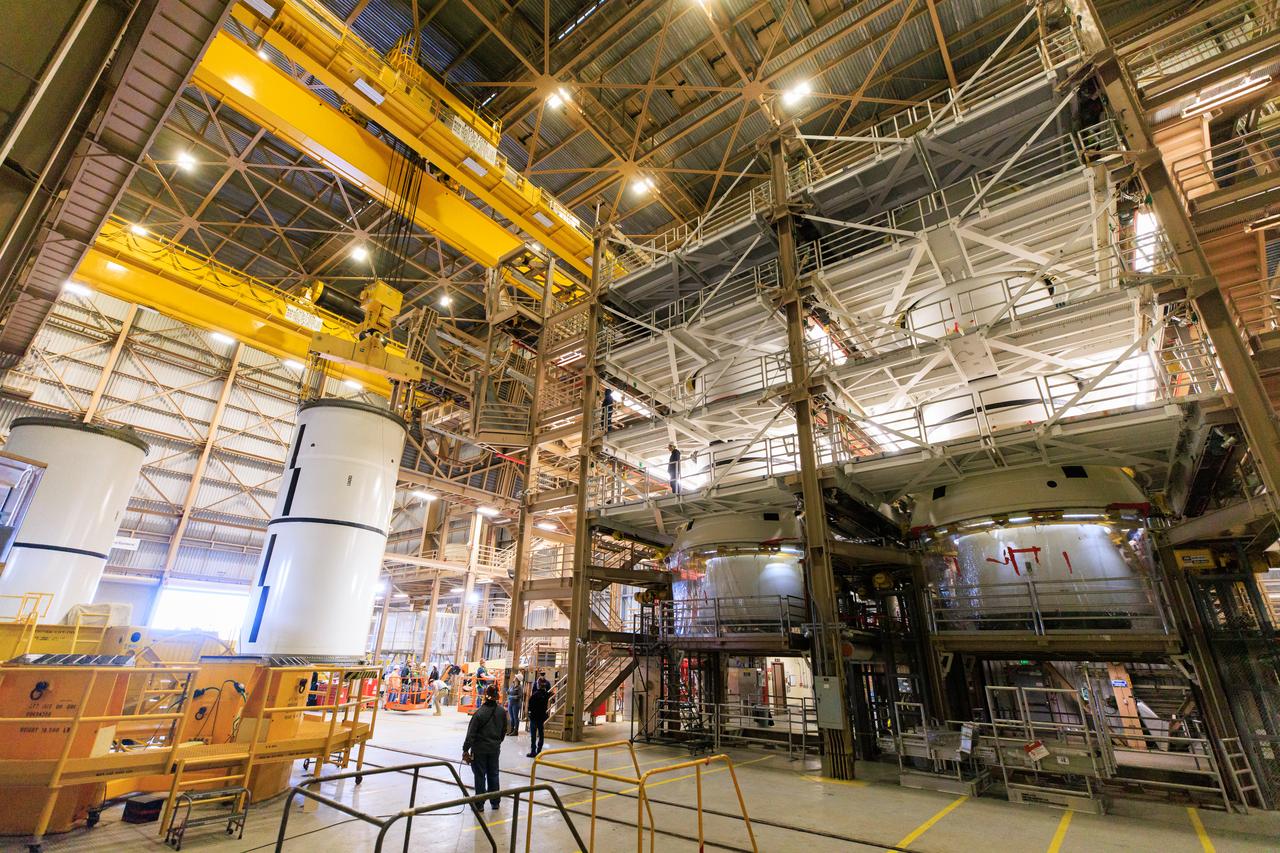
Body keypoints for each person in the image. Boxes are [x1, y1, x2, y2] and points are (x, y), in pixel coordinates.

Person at [463, 684, 507, 810]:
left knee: (480, 775)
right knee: (494, 774)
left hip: (480, 750)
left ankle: (479, 804)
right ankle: (495, 802)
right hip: (494, 749)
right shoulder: (502, 712)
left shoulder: (479, 713)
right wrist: (496, 742)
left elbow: (471, 734)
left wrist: (465, 749)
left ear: (485, 696)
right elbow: (504, 731)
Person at [526, 678, 550, 758]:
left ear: (538, 685)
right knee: (541, 734)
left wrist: (529, 714)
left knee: (533, 735)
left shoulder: (534, 695)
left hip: (534, 717)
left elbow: (530, 707)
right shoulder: (546, 695)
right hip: (541, 717)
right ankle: (539, 752)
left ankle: (533, 751)